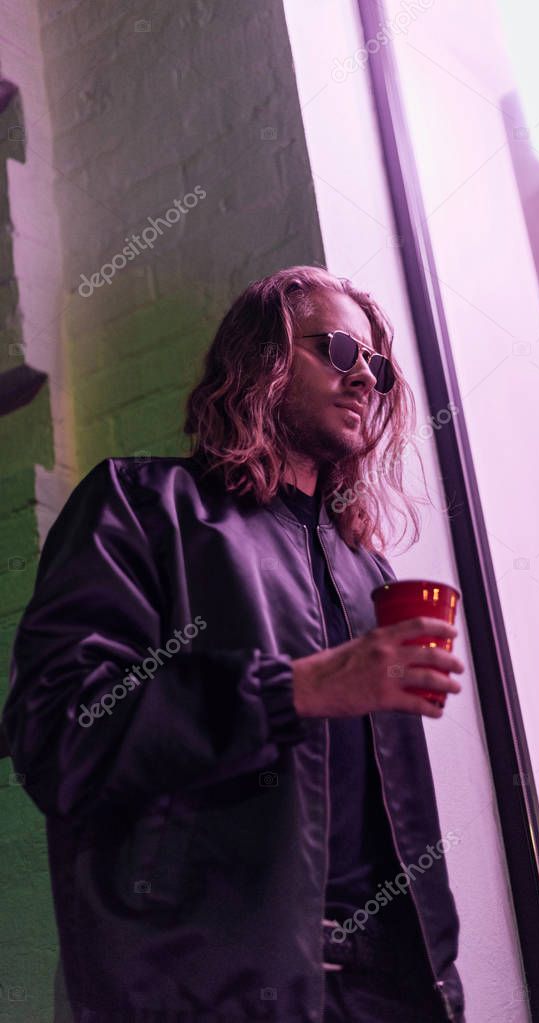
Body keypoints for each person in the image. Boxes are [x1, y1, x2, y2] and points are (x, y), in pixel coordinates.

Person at [2, 265, 467, 1023]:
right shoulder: (140, 506)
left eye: (377, 368)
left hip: (384, 995)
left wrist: (440, 986)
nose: (365, 381)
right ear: (263, 359)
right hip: (201, 995)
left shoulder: (367, 573)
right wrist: (290, 689)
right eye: (340, 351)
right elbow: (57, 734)